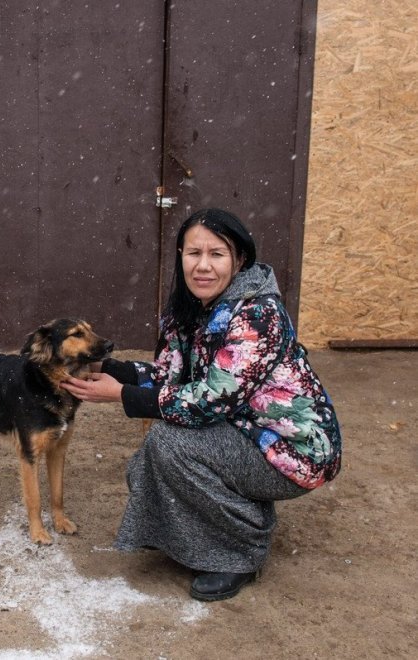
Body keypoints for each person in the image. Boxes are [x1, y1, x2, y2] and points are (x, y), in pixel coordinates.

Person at [61, 208, 341, 601]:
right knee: (153, 459)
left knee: (170, 444)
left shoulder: (258, 315)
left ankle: (239, 554)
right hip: (245, 432)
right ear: (180, 256)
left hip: (293, 451)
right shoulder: (188, 311)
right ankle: (233, 520)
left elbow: (209, 400)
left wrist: (121, 395)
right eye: (194, 254)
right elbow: (170, 376)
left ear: (239, 259)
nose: (203, 266)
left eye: (217, 254)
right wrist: (110, 368)